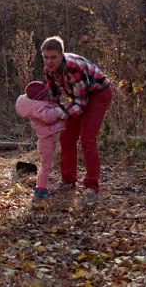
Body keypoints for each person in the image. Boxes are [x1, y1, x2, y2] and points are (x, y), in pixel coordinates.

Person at [40, 36, 112, 204]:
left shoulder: (73, 68)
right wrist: (46, 112)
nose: (49, 62)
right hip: (79, 97)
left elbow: (81, 104)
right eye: (45, 57)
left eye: (53, 57)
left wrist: (61, 113)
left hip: (99, 93)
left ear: (61, 55)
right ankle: (68, 181)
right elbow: (54, 96)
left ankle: (92, 186)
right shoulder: (48, 70)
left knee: (87, 137)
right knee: (66, 137)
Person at [15, 81, 66, 199]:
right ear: (40, 98)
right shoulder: (37, 109)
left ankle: (40, 187)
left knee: (45, 165)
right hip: (45, 140)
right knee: (46, 165)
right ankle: (40, 189)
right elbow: (48, 116)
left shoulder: (35, 105)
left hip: (47, 138)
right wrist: (60, 112)